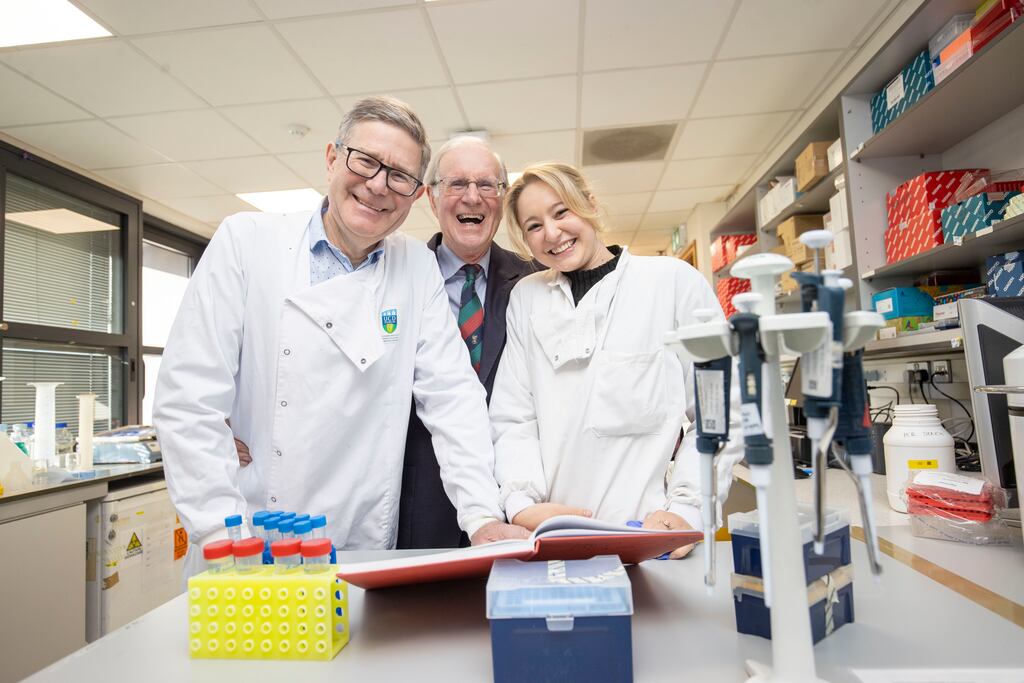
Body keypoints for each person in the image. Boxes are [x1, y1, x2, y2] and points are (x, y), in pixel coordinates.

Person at [154, 96, 526, 577]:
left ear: (415, 195)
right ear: (332, 158)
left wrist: (480, 514)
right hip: (249, 535)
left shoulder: (415, 267)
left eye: (400, 176)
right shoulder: (247, 242)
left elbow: (453, 396)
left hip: (364, 539)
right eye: (366, 161)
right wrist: (221, 535)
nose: (378, 185)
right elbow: (189, 400)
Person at [490, 162, 743, 558]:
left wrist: (689, 508)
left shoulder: (672, 282)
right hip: (553, 536)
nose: (552, 234)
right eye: (534, 226)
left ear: (589, 203)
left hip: (649, 534)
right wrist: (522, 503)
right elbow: (513, 416)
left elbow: (722, 409)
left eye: (562, 212)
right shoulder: (527, 298)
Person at [397, 136, 538, 549]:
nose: (472, 197)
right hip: (420, 505)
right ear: (431, 196)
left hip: (519, 498)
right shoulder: (396, 281)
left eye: (486, 184)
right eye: (457, 184)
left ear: (503, 196)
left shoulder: (536, 282)